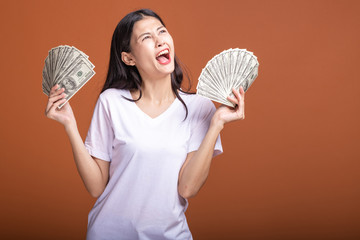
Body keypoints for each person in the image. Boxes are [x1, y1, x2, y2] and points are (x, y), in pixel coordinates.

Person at [45, 9, 245, 240]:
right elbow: (96, 186)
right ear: (129, 58)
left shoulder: (200, 107)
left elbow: (188, 188)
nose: (160, 40)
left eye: (162, 31)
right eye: (147, 37)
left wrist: (216, 124)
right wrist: (69, 125)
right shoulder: (111, 101)